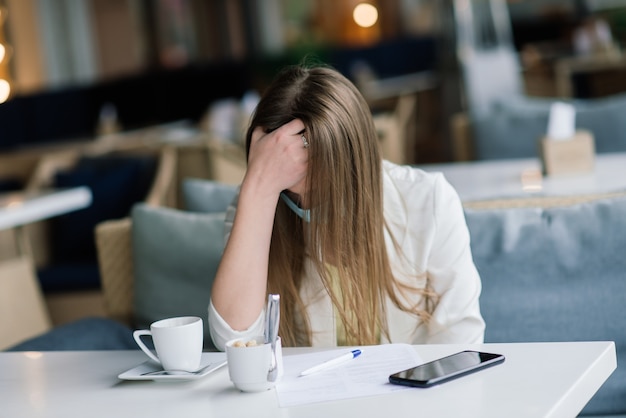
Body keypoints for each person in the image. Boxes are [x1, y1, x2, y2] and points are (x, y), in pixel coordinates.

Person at [208, 63, 485, 350]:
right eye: (291, 194)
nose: (309, 209)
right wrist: (260, 189)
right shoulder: (257, 203)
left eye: (323, 193)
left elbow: (460, 344)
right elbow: (234, 342)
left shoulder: (430, 202)